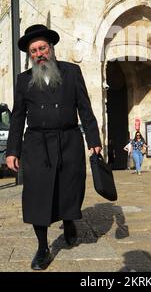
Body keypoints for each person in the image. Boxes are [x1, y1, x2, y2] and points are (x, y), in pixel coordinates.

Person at [6, 24, 102, 271]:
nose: (39, 53)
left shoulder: (72, 72)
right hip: (37, 145)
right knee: (37, 194)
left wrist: (94, 141)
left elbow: (85, 108)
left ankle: (69, 219)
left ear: (51, 48)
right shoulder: (23, 80)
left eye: (42, 48)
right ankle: (42, 247)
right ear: (30, 54)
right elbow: (17, 117)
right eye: (34, 50)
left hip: (69, 140)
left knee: (70, 187)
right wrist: (12, 151)